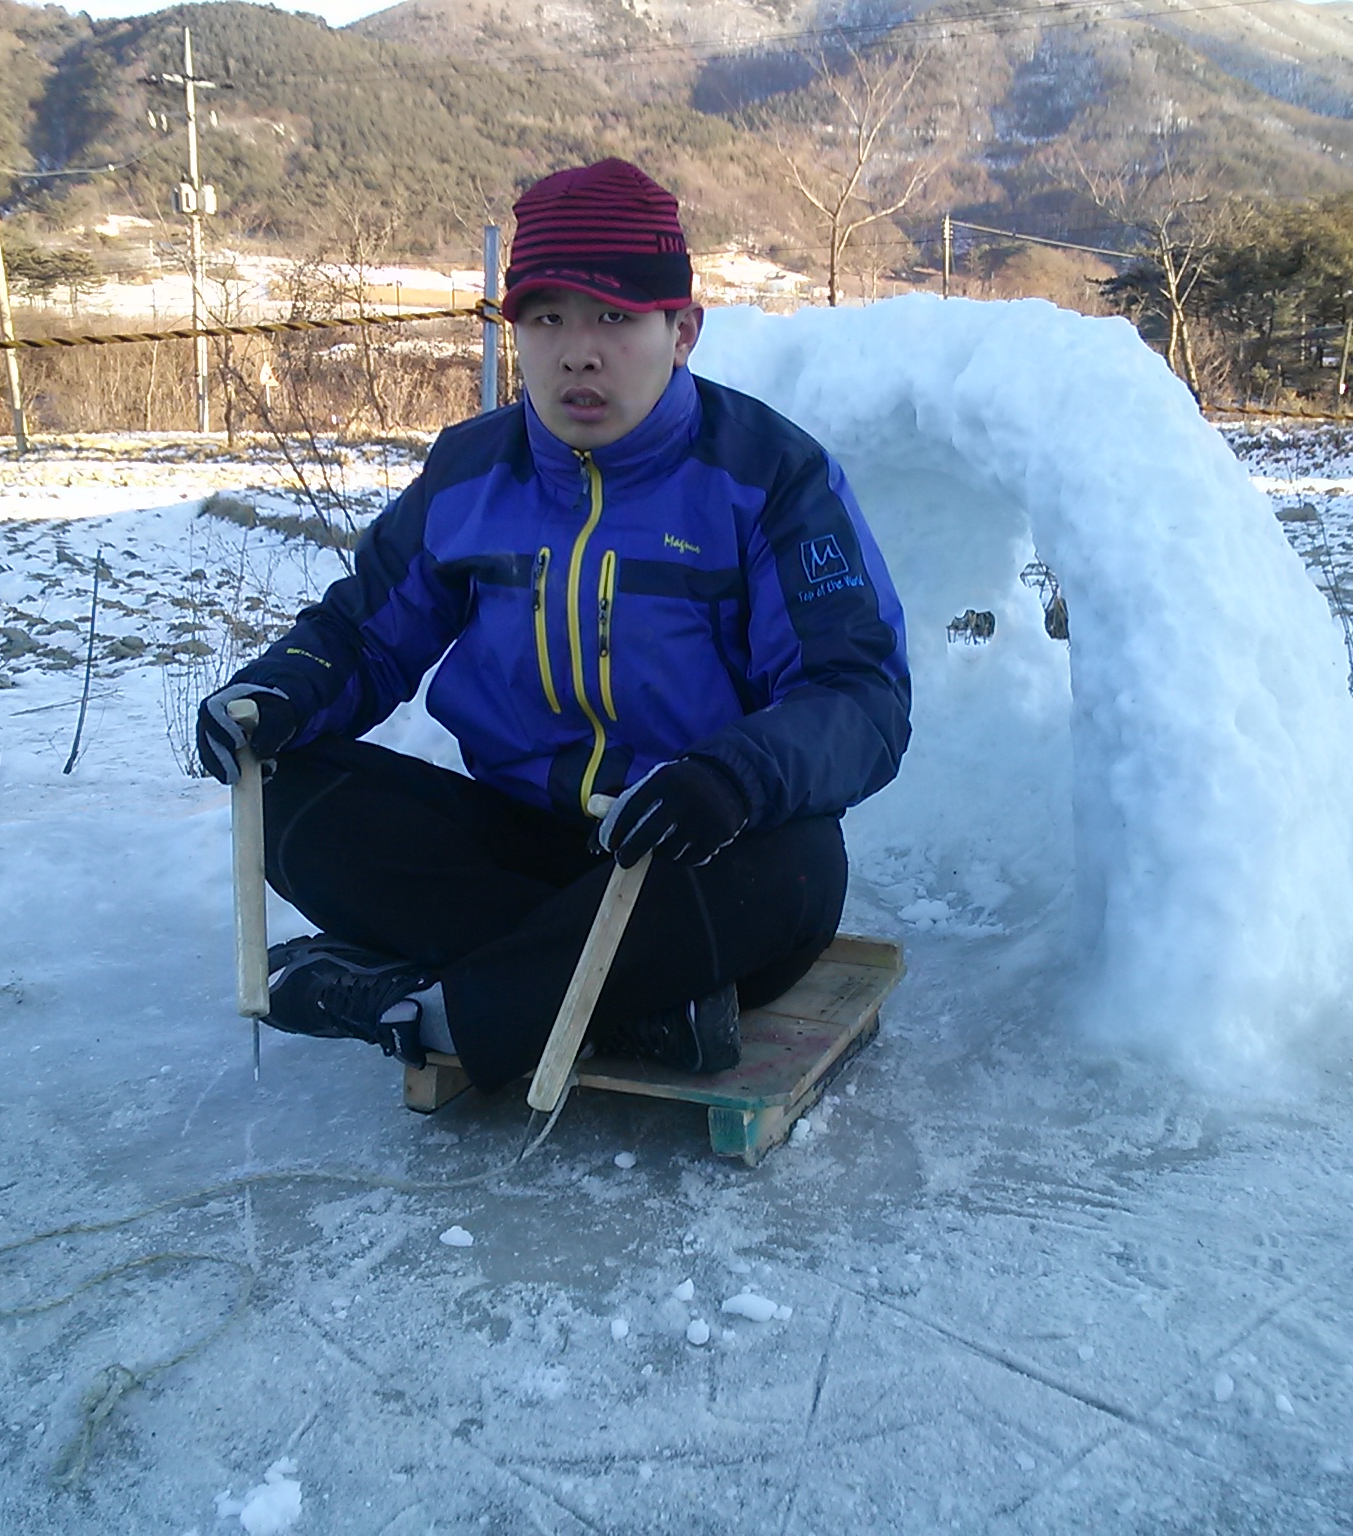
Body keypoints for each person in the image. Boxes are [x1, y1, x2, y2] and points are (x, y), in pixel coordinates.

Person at [195, 159, 909, 1094]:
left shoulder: (768, 475)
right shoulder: (472, 471)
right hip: (517, 846)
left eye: (614, 317)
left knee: (798, 867)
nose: (578, 353)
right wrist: (278, 690)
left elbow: (859, 694)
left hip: (690, 850)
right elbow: (365, 635)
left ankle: (436, 1010)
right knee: (283, 790)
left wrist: (729, 778)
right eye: (546, 318)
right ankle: (644, 1006)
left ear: (682, 330)